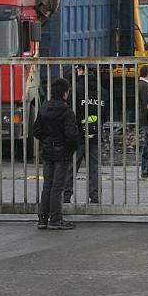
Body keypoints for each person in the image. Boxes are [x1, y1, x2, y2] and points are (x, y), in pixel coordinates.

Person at [33, 78, 81, 230]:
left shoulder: (44, 107)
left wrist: (47, 140)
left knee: (47, 185)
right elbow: (72, 135)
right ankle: (55, 219)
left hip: (47, 152)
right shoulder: (67, 112)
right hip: (62, 153)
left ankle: (42, 218)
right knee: (58, 187)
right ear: (65, 93)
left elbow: (36, 130)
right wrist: (70, 149)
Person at [64, 65, 108, 204]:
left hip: (77, 136)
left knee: (71, 167)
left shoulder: (75, 89)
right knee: (94, 168)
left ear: (82, 71)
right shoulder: (103, 91)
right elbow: (105, 115)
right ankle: (95, 198)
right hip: (95, 135)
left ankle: (65, 197)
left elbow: (69, 112)